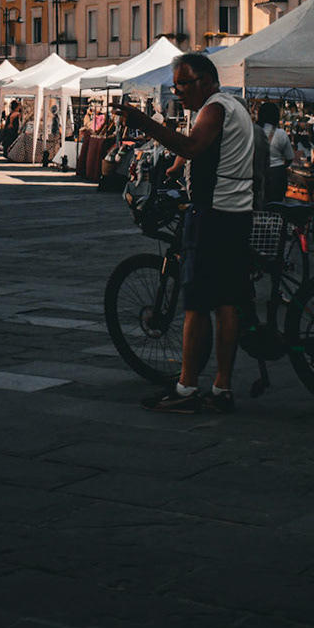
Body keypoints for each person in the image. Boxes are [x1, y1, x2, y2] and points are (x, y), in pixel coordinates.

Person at [119, 52, 255, 415]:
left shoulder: (212, 109)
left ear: (206, 81)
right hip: (237, 213)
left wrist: (143, 123)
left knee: (195, 305)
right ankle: (222, 388)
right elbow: (208, 153)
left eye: (184, 84)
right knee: (227, 303)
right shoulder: (235, 106)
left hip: (211, 216)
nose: (178, 92)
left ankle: (186, 388)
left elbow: (193, 146)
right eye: (176, 85)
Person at [255, 101, 294, 205]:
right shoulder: (281, 134)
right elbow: (290, 157)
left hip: (257, 171)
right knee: (276, 205)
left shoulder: (254, 131)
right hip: (277, 174)